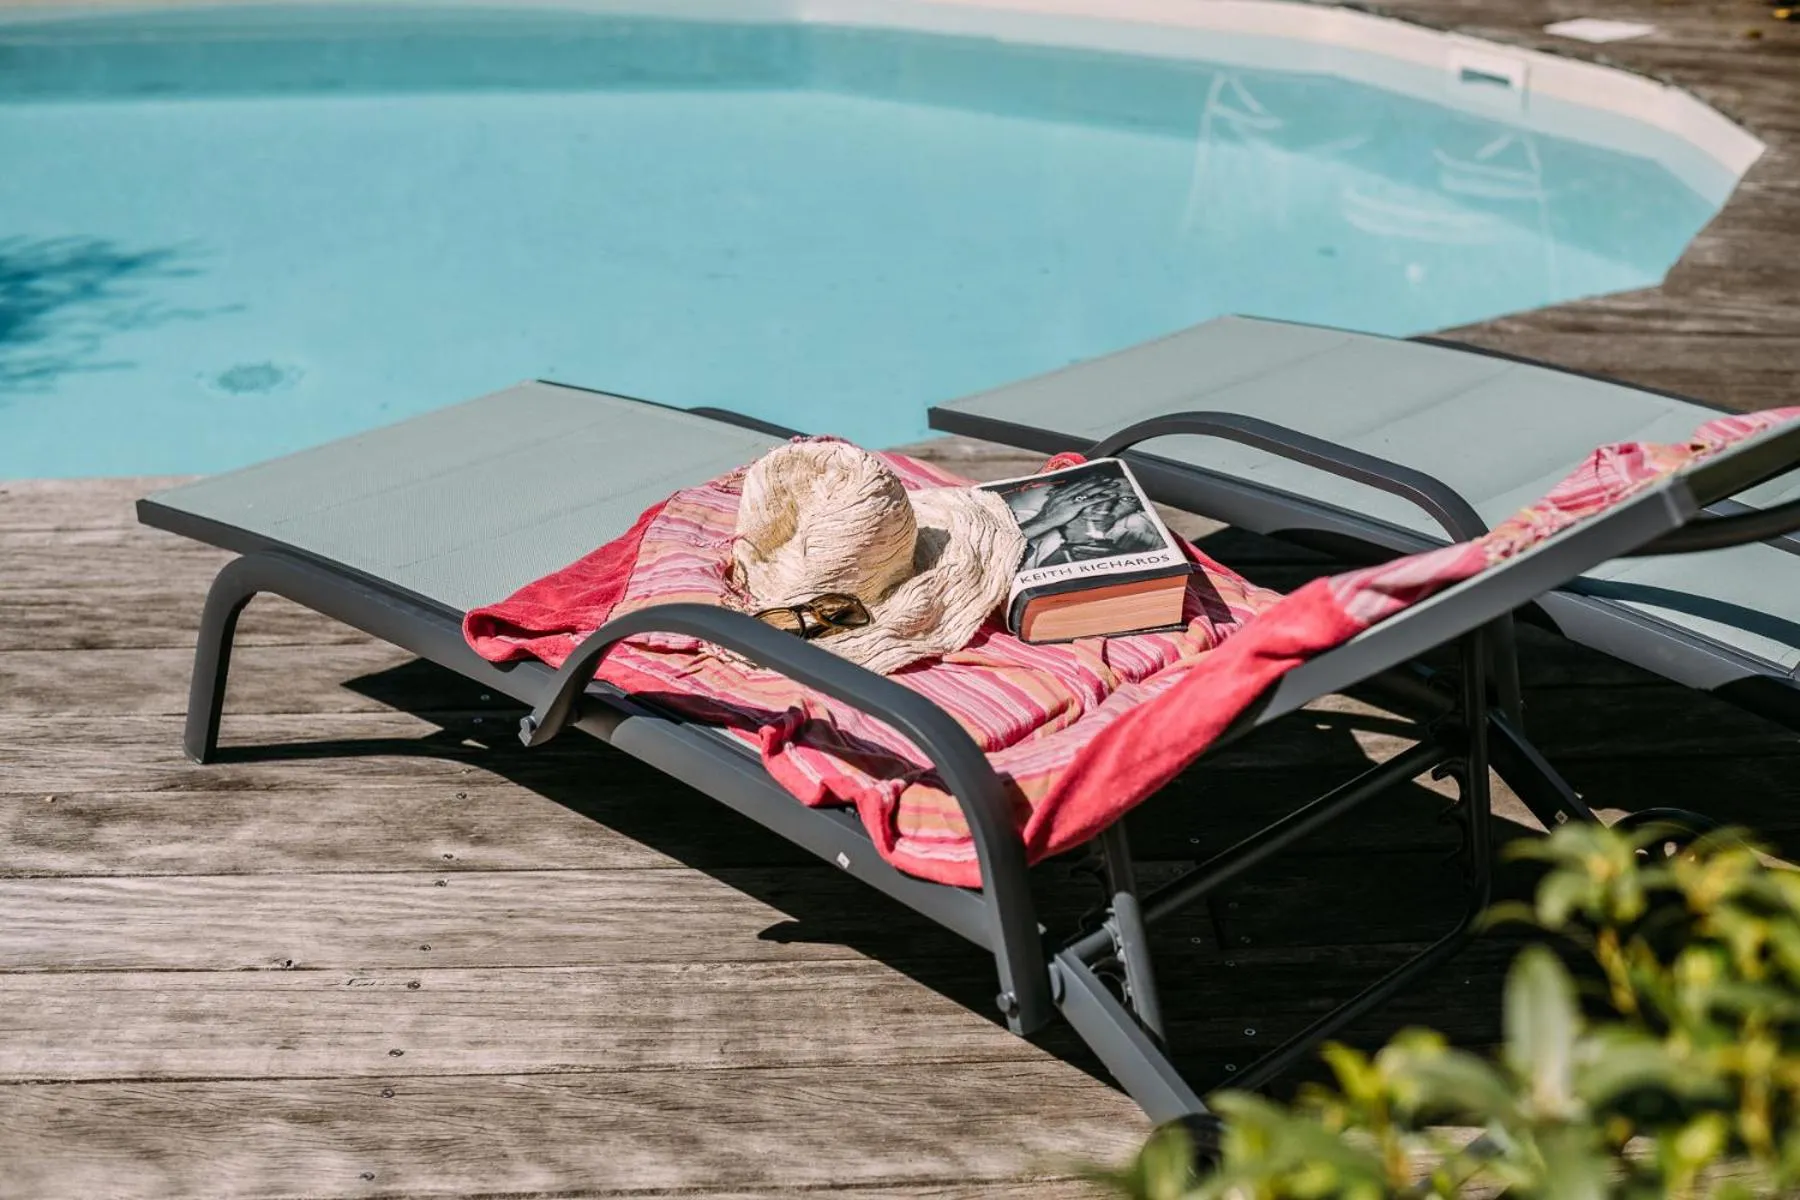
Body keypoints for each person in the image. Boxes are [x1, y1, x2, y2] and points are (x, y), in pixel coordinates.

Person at [1006, 471, 1163, 568]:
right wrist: (1044, 520)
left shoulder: (1140, 532)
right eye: (1095, 495)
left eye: (1127, 499)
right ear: (1057, 496)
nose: (1105, 508)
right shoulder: (1016, 520)